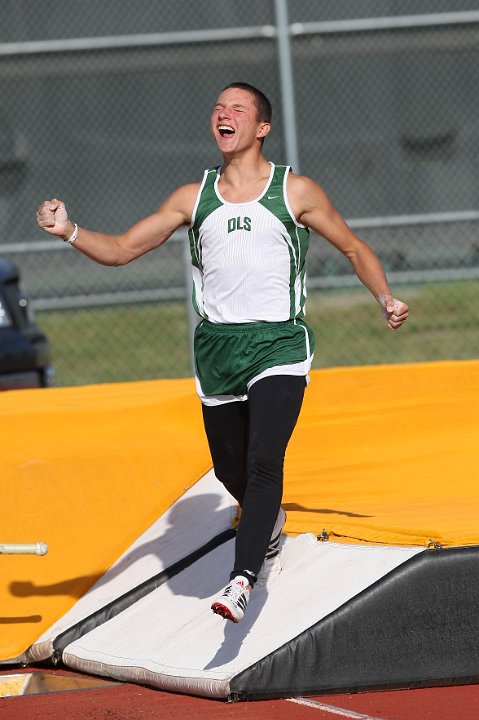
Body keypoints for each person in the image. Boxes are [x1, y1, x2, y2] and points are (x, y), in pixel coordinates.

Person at [36, 82, 409, 623]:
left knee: (264, 457)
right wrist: (67, 230)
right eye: (218, 108)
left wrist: (385, 298)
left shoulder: (295, 191)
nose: (223, 114)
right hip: (218, 349)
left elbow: (352, 247)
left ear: (261, 128)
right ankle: (270, 522)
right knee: (228, 466)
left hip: (279, 342)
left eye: (238, 108)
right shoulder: (193, 197)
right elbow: (121, 250)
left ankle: (243, 576)